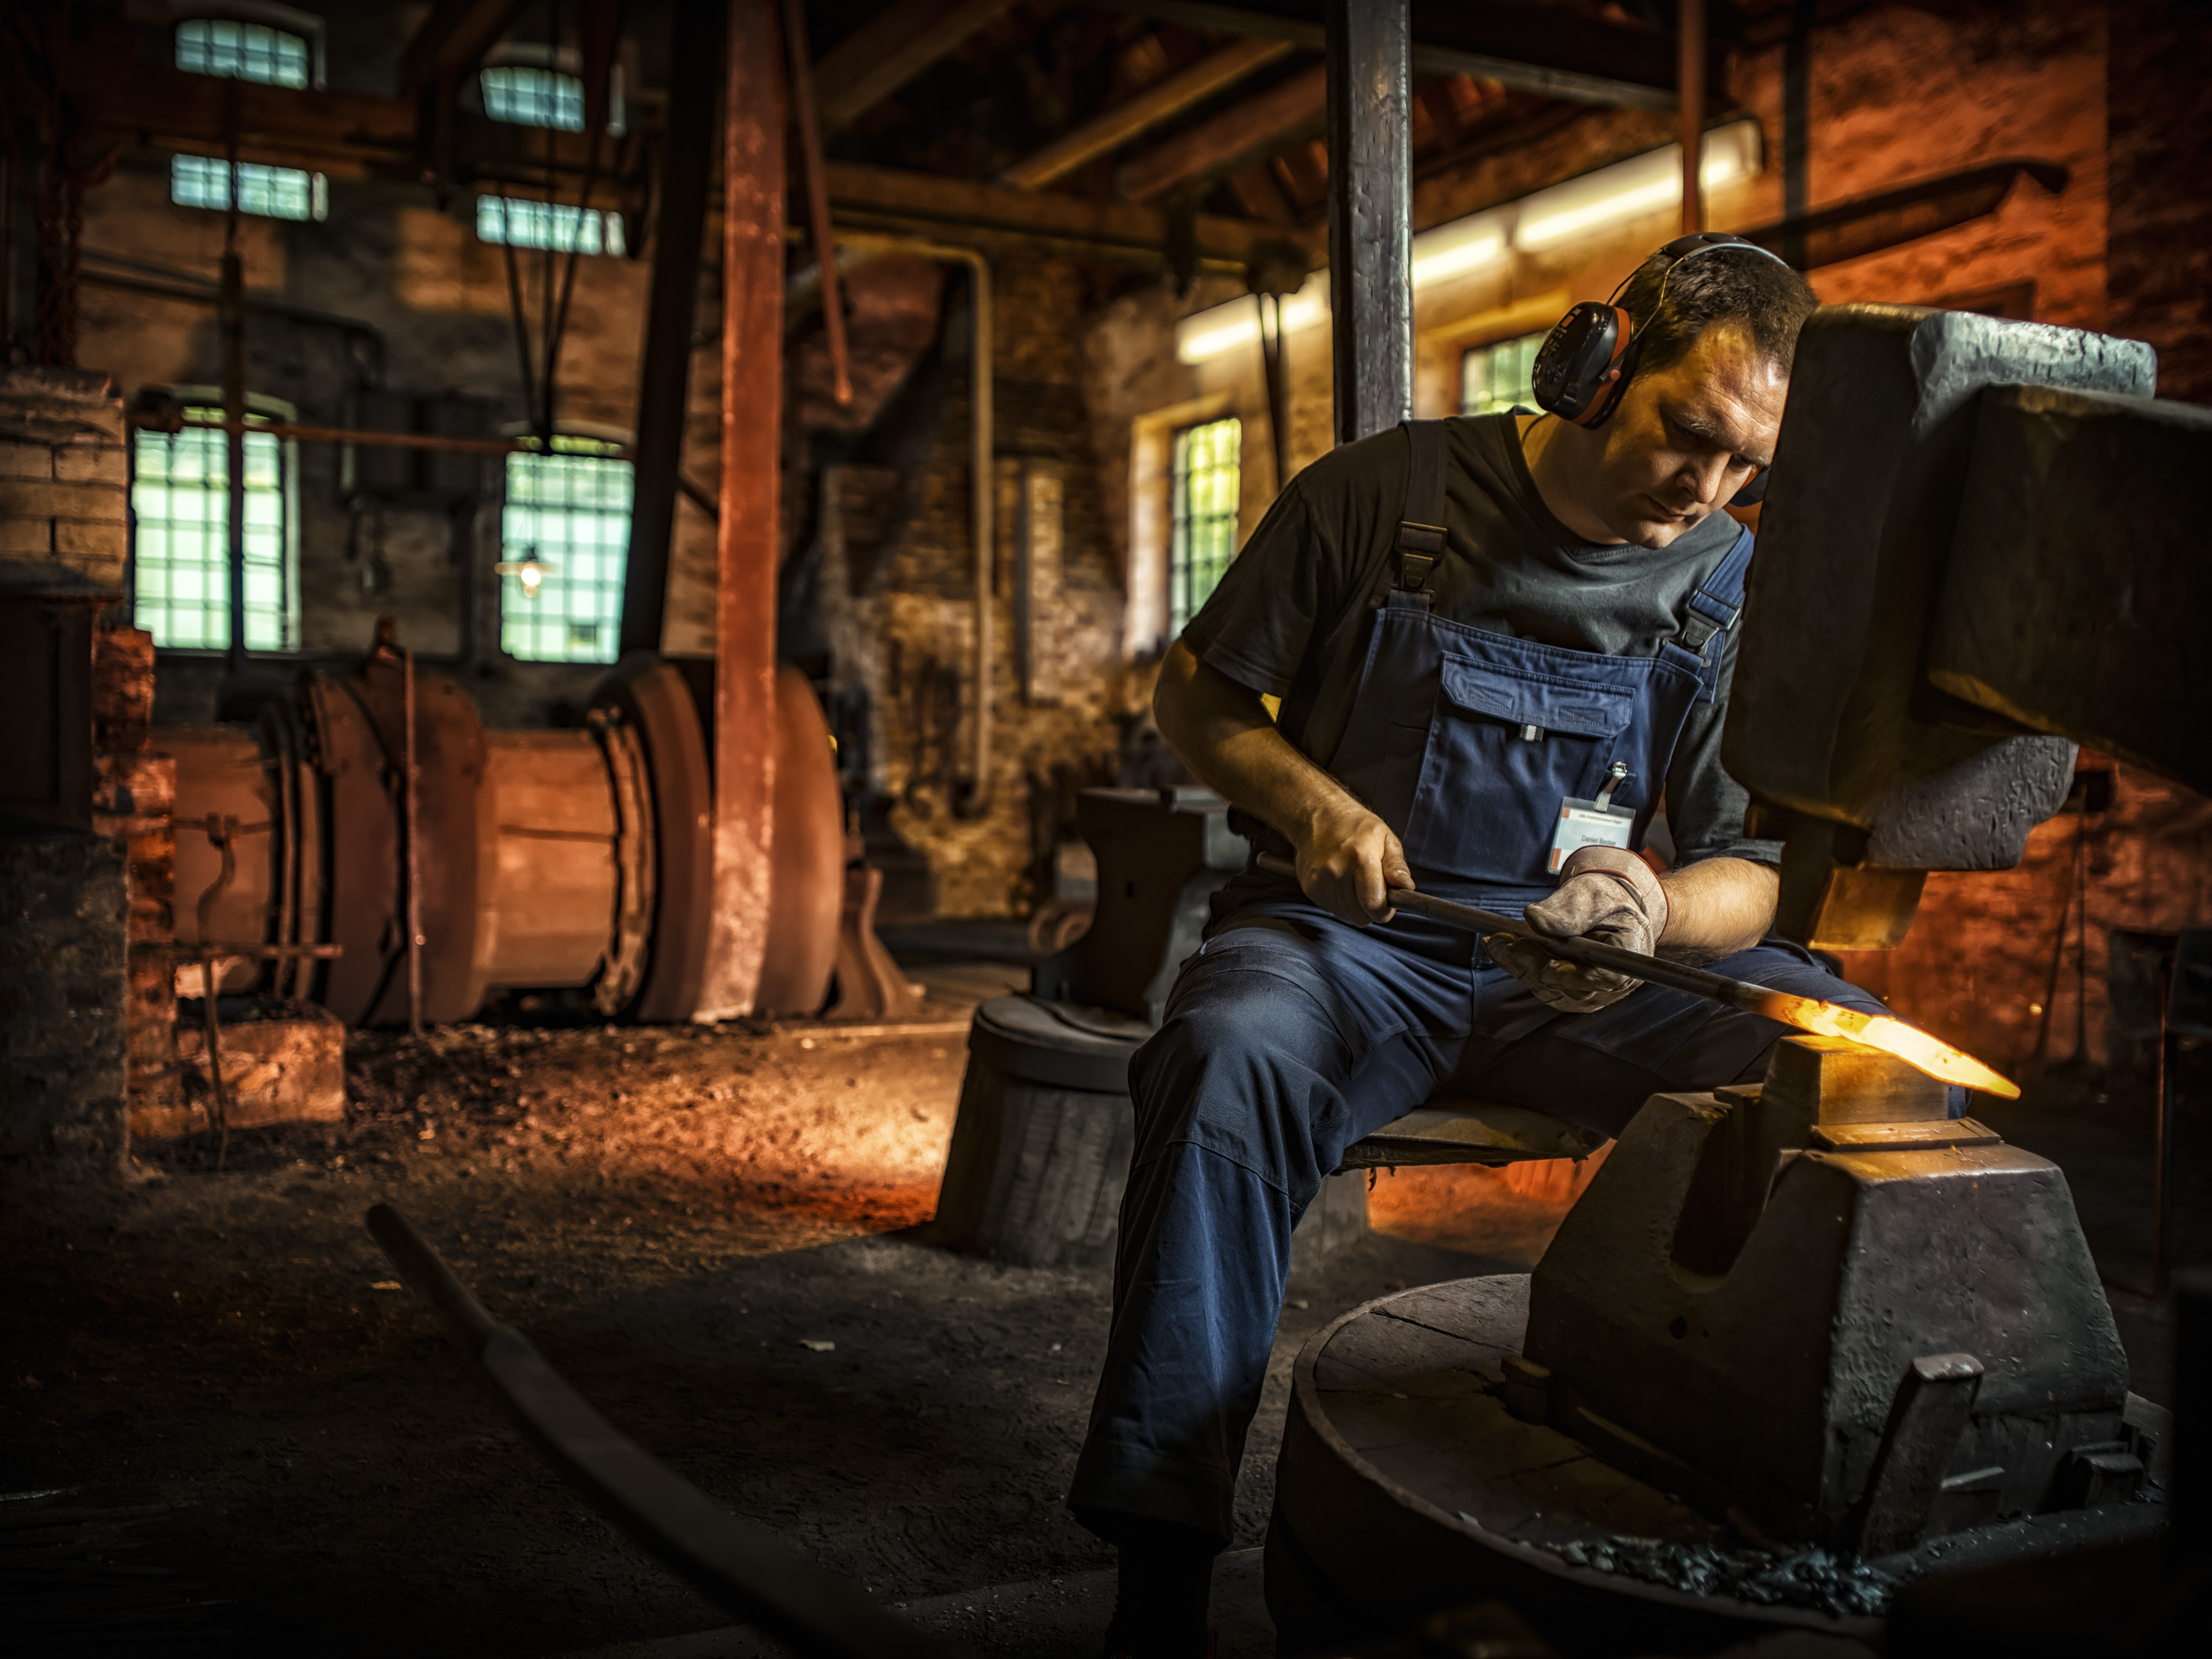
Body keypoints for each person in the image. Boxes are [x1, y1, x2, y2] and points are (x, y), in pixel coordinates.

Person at [1069, 237, 1899, 1658]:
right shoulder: (1385, 494)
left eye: (1744, 468)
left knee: (1847, 1061)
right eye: (1686, 437)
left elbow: (1754, 869)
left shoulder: (1730, 584)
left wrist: (1646, 903)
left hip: (1588, 973)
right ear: (1600, 360)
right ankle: (1162, 1558)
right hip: (1349, 945)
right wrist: (1312, 803)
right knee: (1224, 1060)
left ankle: (1766, 1522)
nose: (1704, 491)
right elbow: (1196, 697)